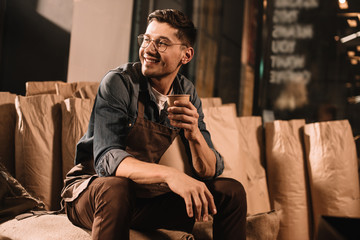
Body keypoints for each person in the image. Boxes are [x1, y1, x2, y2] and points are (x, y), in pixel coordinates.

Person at [61, 9, 247, 240]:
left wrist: (194, 134)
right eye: (147, 40)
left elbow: (209, 170)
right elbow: (107, 160)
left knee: (230, 191)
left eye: (161, 43)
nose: (148, 50)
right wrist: (172, 176)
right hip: (92, 193)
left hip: (142, 199)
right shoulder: (119, 83)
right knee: (117, 187)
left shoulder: (186, 93)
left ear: (186, 55)